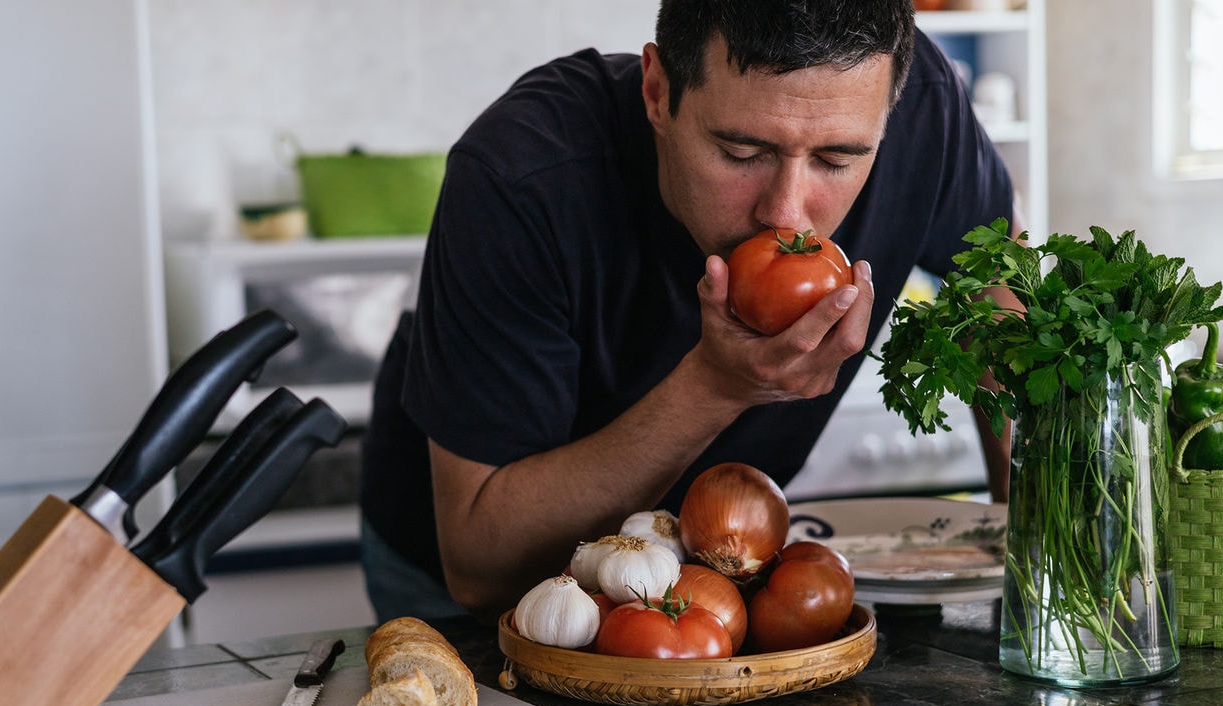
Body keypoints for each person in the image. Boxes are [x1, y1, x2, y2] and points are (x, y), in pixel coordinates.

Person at [360, 0, 1022, 624]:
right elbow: (482, 569)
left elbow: (1000, 288)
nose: (787, 215)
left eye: (836, 160)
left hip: (713, 565)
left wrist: (1037, 545)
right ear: (656, 92)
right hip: (477, 574)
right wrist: (715, 387)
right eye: (742, 153)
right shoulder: (522, 173)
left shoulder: (919, 102)